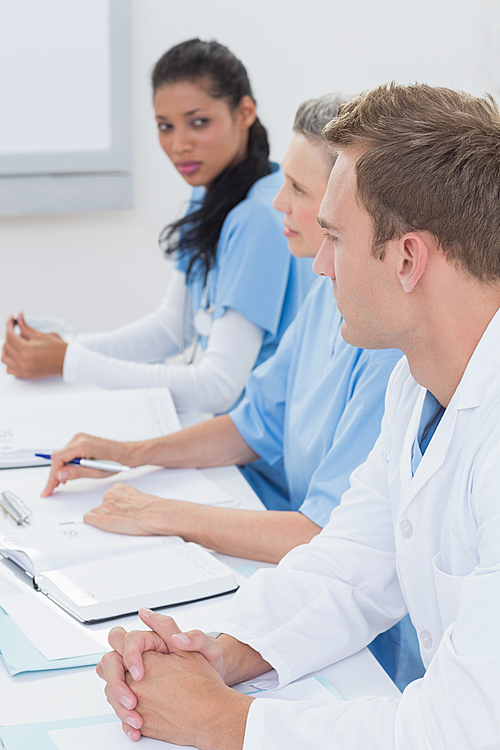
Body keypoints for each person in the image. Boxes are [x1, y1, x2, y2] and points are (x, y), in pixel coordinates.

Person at [96, 82, 500, 748]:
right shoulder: (417, 386)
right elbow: (349, 566)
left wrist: (220, 719)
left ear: (408, 259)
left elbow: (466, 728)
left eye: (335, 237)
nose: (319, 267)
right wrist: (215, 655)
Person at [41, 93, 421, 688]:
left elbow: (336, 541)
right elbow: (253, 424)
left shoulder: (387, 343)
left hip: (371, 648)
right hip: (310, 585)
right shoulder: (331, 298)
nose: (279, 204)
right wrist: (131, 455)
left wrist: (164, 513)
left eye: (299, 190)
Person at [1, 39, 314, 414]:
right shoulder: (212, 194)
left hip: (255, 454)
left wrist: (69, 361)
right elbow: (171, 328)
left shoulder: (259, 216)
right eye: (165, 126)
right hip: (222, 433)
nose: (179, 144)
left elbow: (218, 386)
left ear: (245, 112)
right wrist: (63, 348)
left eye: (199, 122)